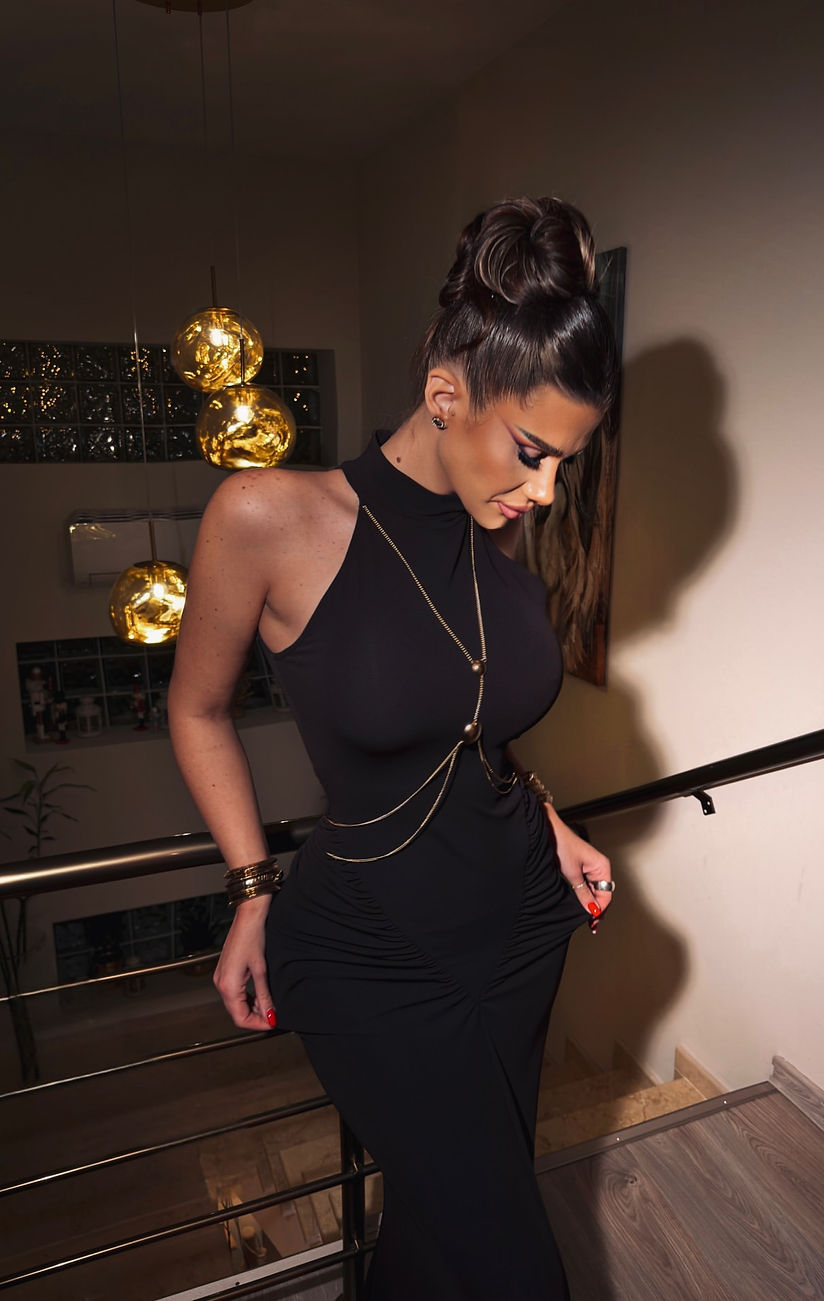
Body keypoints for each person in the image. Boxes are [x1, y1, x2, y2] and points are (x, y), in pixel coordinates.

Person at [168, 195, 620, 1300]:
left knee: (439, 1225)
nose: (543, 491)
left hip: (519, 922)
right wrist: (250, 885)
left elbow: (469, 725)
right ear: (444, 394)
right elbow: (197, 709)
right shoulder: (268, 516)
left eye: (563, 463)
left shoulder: (495, 542)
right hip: (370, 950)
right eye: (531, 452)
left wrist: (549, 820)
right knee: (512, 1265)